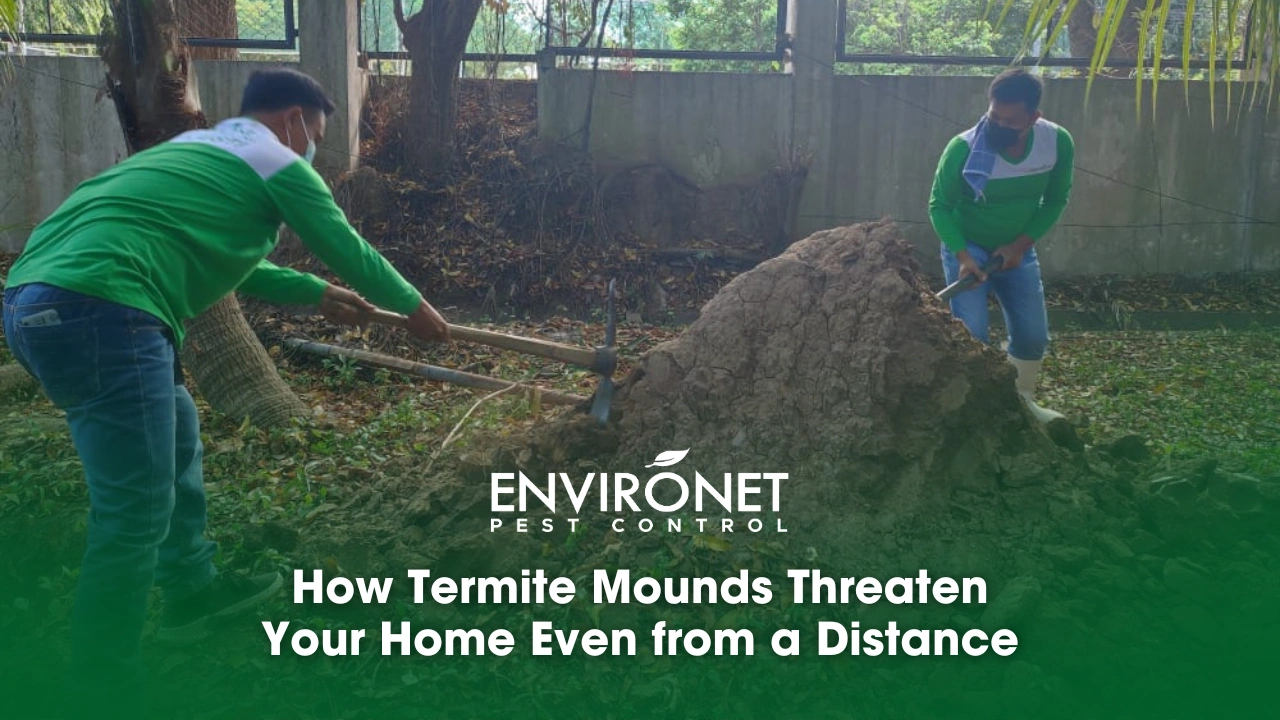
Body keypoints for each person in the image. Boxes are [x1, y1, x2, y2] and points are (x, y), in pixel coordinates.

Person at [2, 68, 449, 717]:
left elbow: (228, 258)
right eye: (316, 134)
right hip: (107, 307)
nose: (313, 149)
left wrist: (313, 293)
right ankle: (100, 689)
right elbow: (344, 245)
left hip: (32, 302)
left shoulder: (195, 151)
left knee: (178, 427)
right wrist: (414, 308)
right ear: (292, 121)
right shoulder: (278, 160)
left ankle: (191, 590)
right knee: (132, 512)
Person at [928, 67, 1074, 423]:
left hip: (1016, 251)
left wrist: (1020, 246)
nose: (999, 125)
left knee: (1032, 335)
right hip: (968, 249)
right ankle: (974, 414)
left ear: (1033, 118)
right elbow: (939, 206)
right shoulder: (963, 149)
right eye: (994, 116)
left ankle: (1021, 404)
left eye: (1010, 121)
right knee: (972, 337)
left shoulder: (1056, 143)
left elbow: (1055, 200)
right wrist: (963, 256)